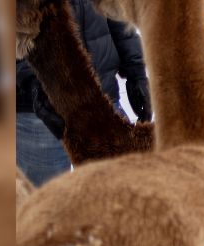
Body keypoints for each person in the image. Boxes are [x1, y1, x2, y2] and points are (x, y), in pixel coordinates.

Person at [14, 0, 149, 186]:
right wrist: (37, 82)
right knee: (47, 204)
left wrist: (136, 67)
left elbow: (113, 8)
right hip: (41, 113)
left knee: (119, 197)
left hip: (102, 100)